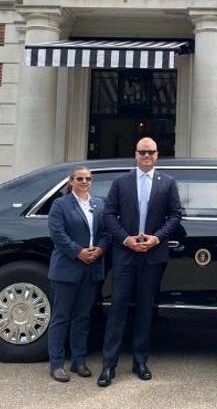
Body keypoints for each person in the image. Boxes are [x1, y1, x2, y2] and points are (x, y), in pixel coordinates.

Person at [97, 138, 182, 387]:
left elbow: (175, 215)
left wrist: (157, 238)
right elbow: (109, 214)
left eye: (151, 152)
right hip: (125, 254)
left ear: (157, 155)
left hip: (153, 255)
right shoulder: (121, 182)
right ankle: (108, 365)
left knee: (146, 310)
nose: (147, 155)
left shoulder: (167, 183)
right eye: (142, 152)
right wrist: (126, 239)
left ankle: (140, 361)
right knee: (117, 310)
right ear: (135, 154)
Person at [47, 166, 110, 382]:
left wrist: (99, 249)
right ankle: (56, 364)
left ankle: (78, 361)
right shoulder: (60, 204)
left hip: (91, 268)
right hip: (67, 268)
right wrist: (78, 252)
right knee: (61, 317)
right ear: (71, 181)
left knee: (82, 317)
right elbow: (57, 233)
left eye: (88, 179)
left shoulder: (99, 204)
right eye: (80, 178)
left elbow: (106, 233)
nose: (84, 182)